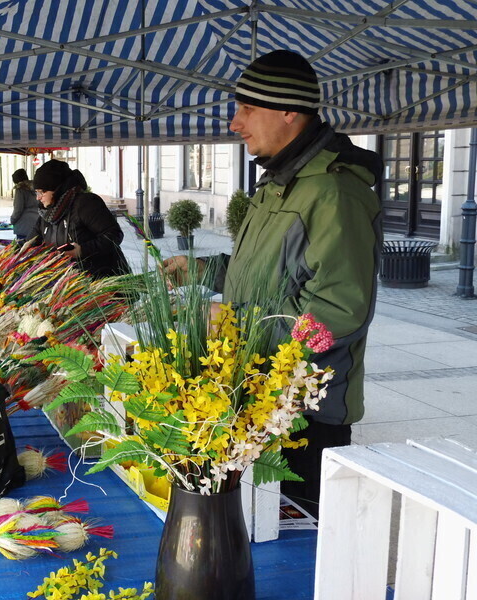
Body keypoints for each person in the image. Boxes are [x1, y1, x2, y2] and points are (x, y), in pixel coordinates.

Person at [164, 50, 382, 516]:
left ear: (288, 111)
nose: (235, 123)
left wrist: (236, 323)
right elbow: (262, 274)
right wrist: (199, 269)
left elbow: (337, 315)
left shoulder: (334, 193)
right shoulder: (279, 183)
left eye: (247, 108)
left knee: (295, 544)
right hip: (255, 397)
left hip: (305, 414)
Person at [29, 159, 130, 278]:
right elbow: (30, 242)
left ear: (57, 189)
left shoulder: (85, 203)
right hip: (69, 281)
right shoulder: (46, 213)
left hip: (100, 279)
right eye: (36, 192)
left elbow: (114, 234)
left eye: (41, 192)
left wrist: (82, 250)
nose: (38, 197)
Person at [9, 168, 38, 241]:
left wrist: (12, 220)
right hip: (37, 224)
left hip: (23, 226)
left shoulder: (20, 190)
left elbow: (18, 209)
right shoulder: (36, 188)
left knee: (23, 246)